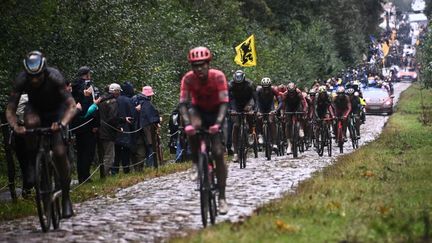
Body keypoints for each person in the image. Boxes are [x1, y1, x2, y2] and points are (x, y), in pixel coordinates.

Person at [6, 51, 77, 218]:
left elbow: (72, 105)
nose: (35, 80)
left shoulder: (55, 77)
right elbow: (10, 109)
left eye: (38, 76)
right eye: (31, 77)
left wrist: (62, 124)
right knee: (30, 123)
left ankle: (66, 198)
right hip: (35, 109)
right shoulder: (21, 79)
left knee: (59, 152)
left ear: (44, 71)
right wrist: (16, 126)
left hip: (56, 111)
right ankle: (32, 163)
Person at [178, 46, 229, 215]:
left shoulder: (218, 76)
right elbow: (183, 104)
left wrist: (218, 124)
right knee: (192, 127)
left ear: (208, 64)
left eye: (202, 65)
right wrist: (187, 125)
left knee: (218, 153)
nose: (199, 68)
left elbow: (224, 104)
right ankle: (195, 162)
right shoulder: (188, 79)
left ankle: (221, 197)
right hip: (198, 110)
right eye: (195, 65)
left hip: (217, 112)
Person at [71, 66, 100, 183]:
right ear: (87, 74)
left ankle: (81, 176)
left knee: (81, 152)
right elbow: (92, 106)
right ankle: (86, 176)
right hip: (88, 123)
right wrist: (96, 124)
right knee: (88, 152)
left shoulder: (73, 87)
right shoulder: (88, 86)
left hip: (77, 124)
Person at [228, 70, 257, 162]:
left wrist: (254, 109)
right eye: (237, 84)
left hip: (247, 101)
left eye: (241, 84)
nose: (239, 86)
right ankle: (236, 152)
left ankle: (249, 133)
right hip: (235, 103)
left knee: (249, 115)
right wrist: (230, 110)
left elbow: (255, 99)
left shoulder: (250, 84)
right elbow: (227, 99)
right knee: (236, 125)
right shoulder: (230, 85)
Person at [133, 85, 160, 168]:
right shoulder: (146, 103)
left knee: (141, 148)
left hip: (137, 128)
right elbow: (151, 117)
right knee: (151, 147)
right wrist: (158, 119)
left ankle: (140, 168)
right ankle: (150, 165)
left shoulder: (136, 101)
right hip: (147, 129)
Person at [279, 82, 308, 154]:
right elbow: (283, 105)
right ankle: (289, 144)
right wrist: (282, 113)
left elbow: (304, 103)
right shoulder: (285, 94)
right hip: (289, 107)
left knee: (301, 116)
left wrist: (304, 110)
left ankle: (300, 128)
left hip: (297, 106)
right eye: (290, 92)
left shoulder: (298, 92)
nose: (291, 94)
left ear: (295, 90)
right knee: (288, 123)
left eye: (293, 92)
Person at [255, 77, 279, 151]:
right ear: (262, 86)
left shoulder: (273, 90)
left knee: (271, 121)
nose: (266, 90)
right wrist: (257, 111)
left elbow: (280, 101)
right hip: (261, 106)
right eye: (264, 88)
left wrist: (276, 110)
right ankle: (260, 135)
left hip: (270, 107)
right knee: (259, 118)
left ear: (270, 86)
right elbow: (256, 102)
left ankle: (274, 143)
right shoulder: (258, 91)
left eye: (267, 87)